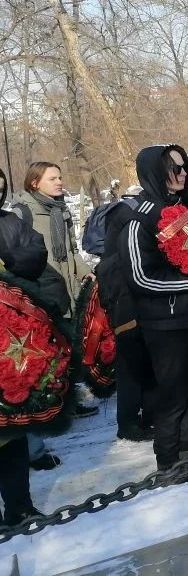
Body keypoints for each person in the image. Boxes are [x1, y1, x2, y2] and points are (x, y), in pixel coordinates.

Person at [119, 145, 188, 476]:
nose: (182, 173)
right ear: (154, 171)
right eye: (173, 168)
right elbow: (141, 278)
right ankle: (168, 460)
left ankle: (187, 447)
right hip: (163, 323)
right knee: (171, 394)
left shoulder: (187, 209)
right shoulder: (139, 220)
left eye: (183, 167)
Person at [13, 162, 98, 423]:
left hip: (68, 287)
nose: (60, 182)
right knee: (47, 347)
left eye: (60, 177)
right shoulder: (23, 212)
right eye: (53, 178)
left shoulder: (61, 210)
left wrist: (85, 272)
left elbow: (71, 250)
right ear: (35, 183)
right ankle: (47, 404)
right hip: (41, 288)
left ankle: (68, 400)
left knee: (69, 345)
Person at [0, 167, 48, 525]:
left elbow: (35, 252)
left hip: (10, 335)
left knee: (12, 428)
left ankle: (19, 505)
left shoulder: (10, 223)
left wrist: (8, 264)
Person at [94, 184, 155, 443]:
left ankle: (142, 417)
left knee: (139, 364)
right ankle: (129, 422)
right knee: (131, 366)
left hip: (125, 306)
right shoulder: (126, 223)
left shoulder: (111, 251)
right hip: (126, 307)